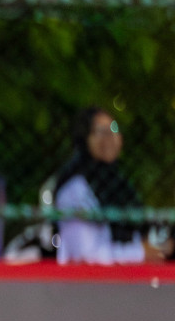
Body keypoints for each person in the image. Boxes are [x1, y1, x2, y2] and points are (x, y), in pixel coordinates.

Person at [53, 107, 170, 265]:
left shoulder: (119, 186)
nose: (109, 137)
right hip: (89, 284)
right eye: (100, 131)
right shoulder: (75, 189)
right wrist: (141, 253)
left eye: (114, 128)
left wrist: (159, 247)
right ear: (85, 139)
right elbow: (85, 257)